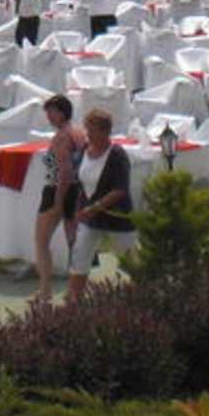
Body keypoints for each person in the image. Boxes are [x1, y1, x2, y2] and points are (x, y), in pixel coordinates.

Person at [65, 109, 135, 303]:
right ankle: (73, 303)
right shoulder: (83, 151)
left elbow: (120, 190)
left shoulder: (117, 155)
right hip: (90, 219)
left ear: (105, 131)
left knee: (132, 263)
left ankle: (144, 297)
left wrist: (95, 207)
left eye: (92, 130)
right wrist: (76, 212)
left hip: (117, 217)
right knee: (79, 259)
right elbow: (79, 183)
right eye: (87, 129)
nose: (88, 134)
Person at [30, 94, 80, 305]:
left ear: (61, 113)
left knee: (41, 241)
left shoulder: (62, 137)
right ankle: (76, 291)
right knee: (74, 243)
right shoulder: (77, 132)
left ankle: (45, 291)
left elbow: (64, 172)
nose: (48, 117)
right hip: (76, 190)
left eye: (51, 112)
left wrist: (57, 202)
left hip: (57, 190)